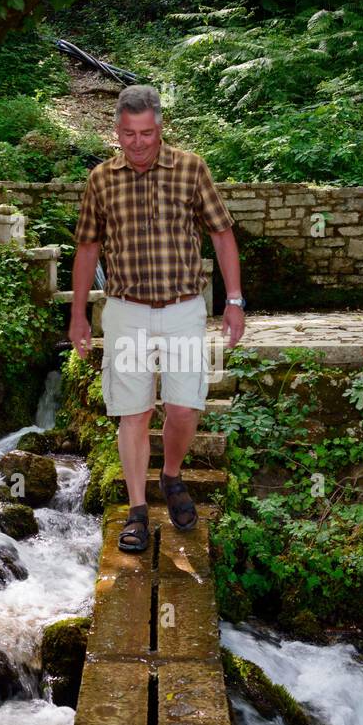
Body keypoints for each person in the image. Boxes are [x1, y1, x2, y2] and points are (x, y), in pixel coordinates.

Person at [68, 85, 246, 552]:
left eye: (146, 132)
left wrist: (235, 300)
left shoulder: (191, 168)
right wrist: (79, 315)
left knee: (184, 408)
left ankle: (171, 475)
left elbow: (222, 234)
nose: (138, 143)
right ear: (117, 132)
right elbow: (87, 247)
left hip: (184, 308)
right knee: (134, 412)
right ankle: (137, 511)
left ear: (160, 127)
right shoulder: (101, 180)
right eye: (128, 134)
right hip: (125, 312)